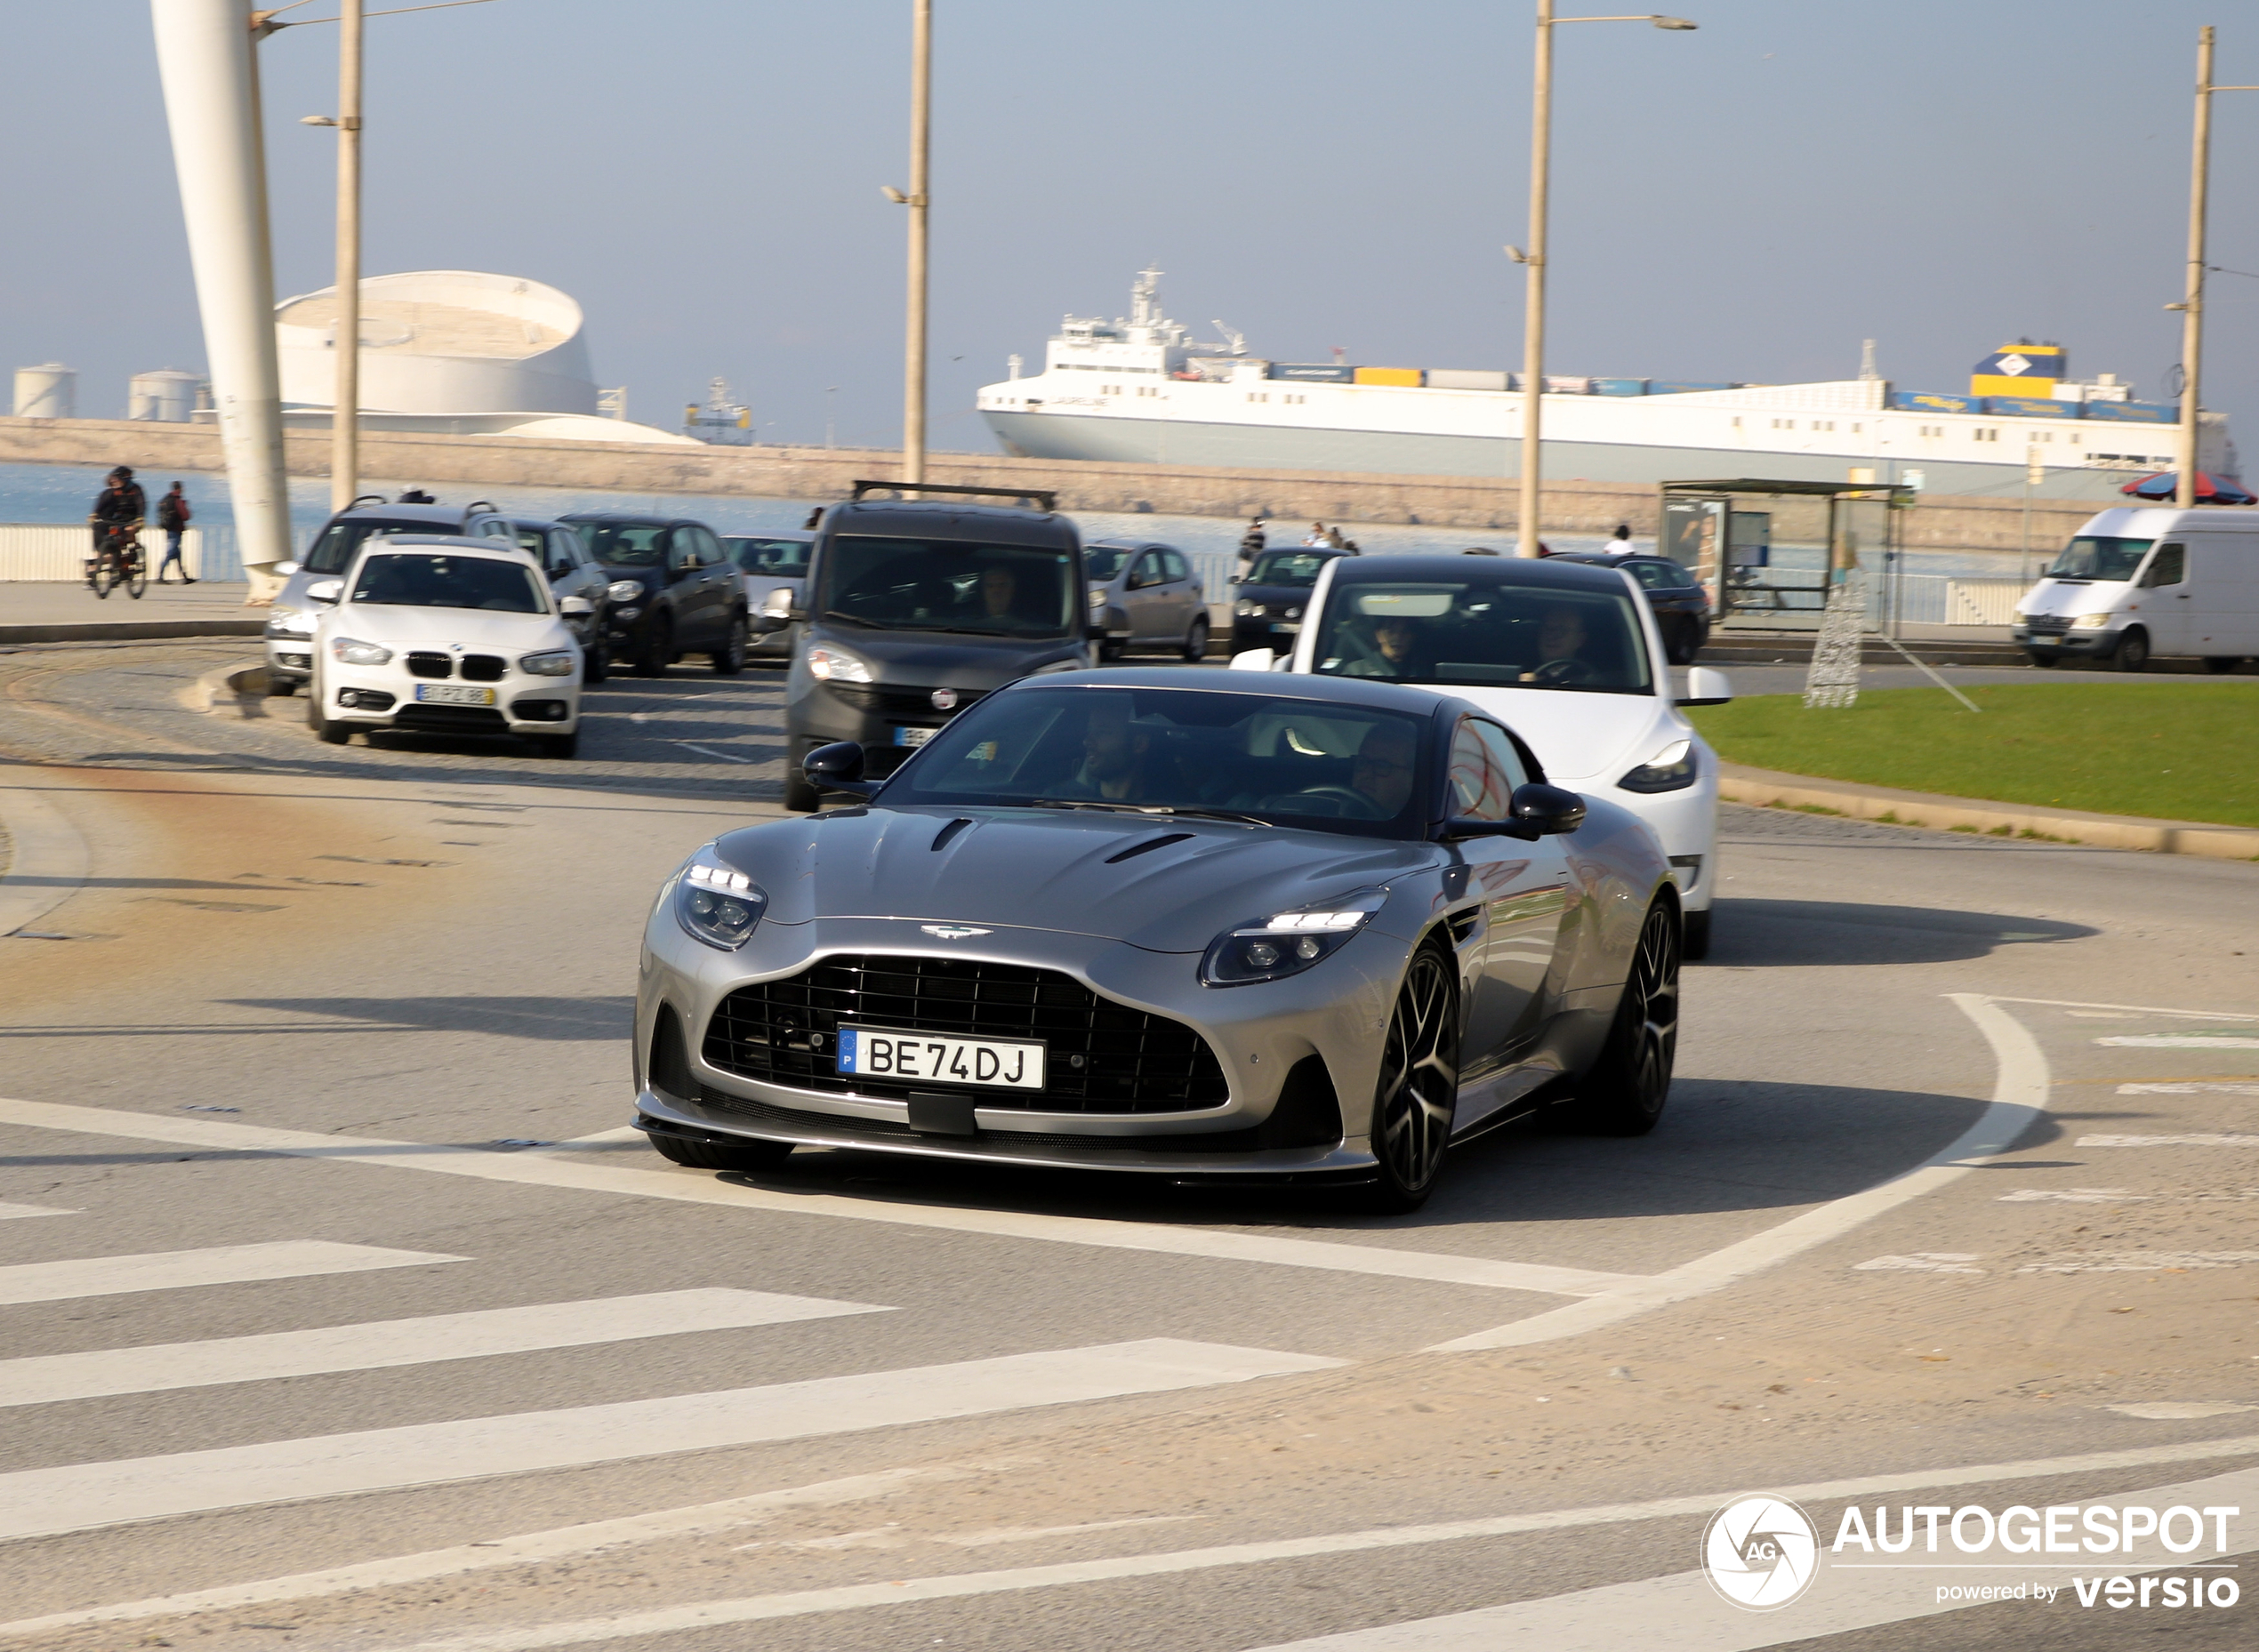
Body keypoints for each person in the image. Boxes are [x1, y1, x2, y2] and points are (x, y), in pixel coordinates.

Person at [1062, 700, 1153, 801]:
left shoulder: (1168, 806)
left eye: (1102, 732)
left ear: (1139, 744)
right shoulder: (1060, 800)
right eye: (1089, 732)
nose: (1087, 742)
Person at [86, 466, 146, 581]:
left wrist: (140, 517)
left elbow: (141, 504)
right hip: (118, 518)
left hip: (133, 518)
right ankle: (117, 562)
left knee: (129, 531)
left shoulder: (136, 489)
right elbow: (104, 503)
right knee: (115, 537)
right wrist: (95, 514)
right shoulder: (114, 491)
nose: (115, 481)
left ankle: (133, 554)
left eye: (118, 479)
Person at [1347, 721, 1418, 816]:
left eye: (1382, 765)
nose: (1365, 774)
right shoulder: (1331, 810)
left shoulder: (1423, 826)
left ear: (1411, 776)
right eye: (1362, 761)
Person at [1521, 604, 1590, 683]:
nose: (1552, 636)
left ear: (1580, 640)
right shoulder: (1516, 672)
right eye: (1548, 629)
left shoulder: (1592, 681)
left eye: (1562, 630)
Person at [1343, 616, 1426, 680]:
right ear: (1379, 635)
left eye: (1405, 632)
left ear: (1413, 637)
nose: (1397, 637)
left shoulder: (1424, 670)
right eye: (1391, 631)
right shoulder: (1356, 670)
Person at [156, 481, 195, 583]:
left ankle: (185, 577)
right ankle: (159, 575)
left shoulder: (166, 498)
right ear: (180, 489)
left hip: (168, 528)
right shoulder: (177, 500)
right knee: (171, 553)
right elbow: (185, 516)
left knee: (177, 554)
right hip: (176, 529)